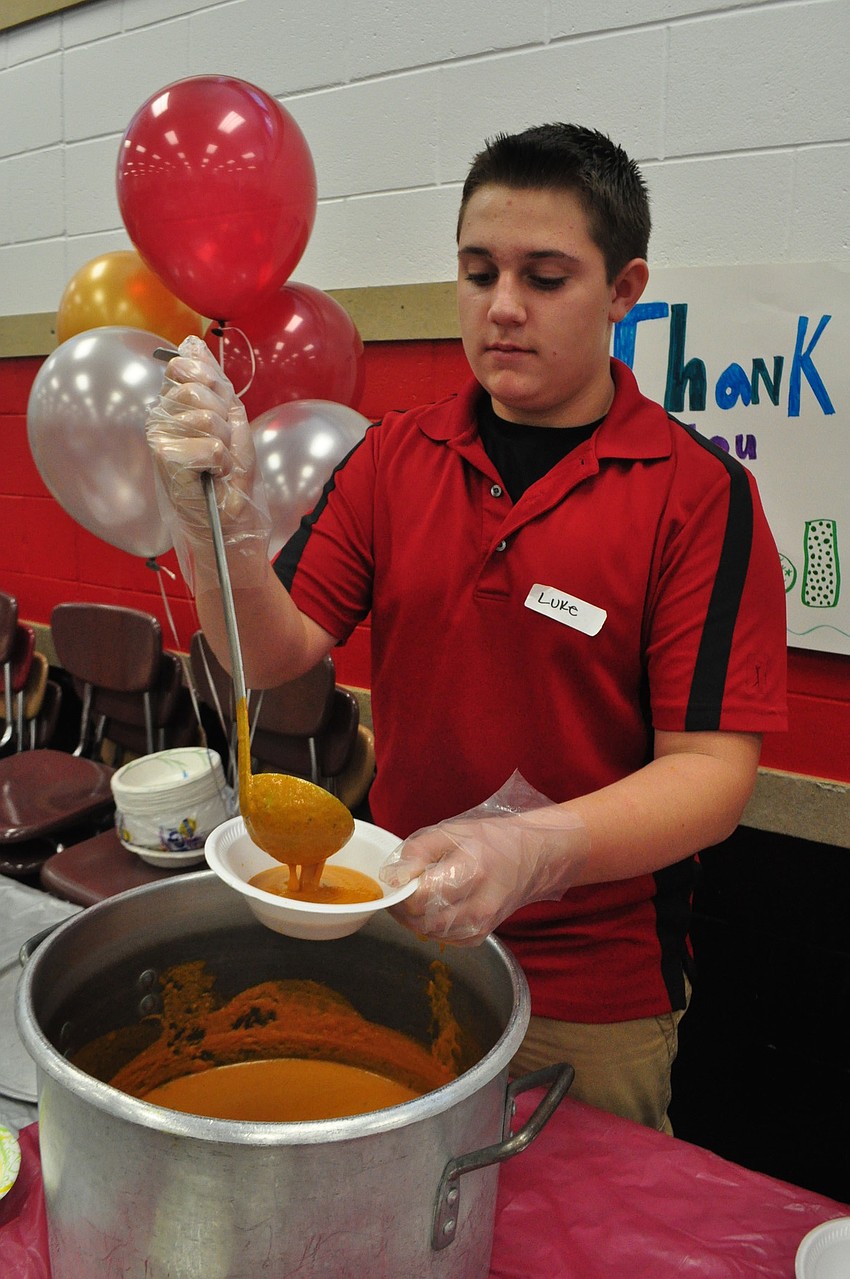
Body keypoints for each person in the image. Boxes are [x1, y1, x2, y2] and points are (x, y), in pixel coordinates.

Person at [146, 122, 788, 1134]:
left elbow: (711, 774)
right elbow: (271, 653)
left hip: (591, 992)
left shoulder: (697, 495)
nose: (501, 308)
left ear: (624, 291)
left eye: (545, 276)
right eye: (478, 270)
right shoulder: (396, 457)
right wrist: (212, 523)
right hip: (403, 932)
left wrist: (535, 850)